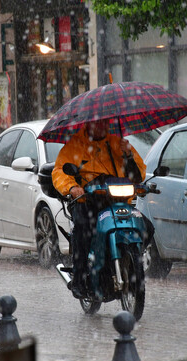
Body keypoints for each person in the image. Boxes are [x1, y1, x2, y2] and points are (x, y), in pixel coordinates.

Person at [52, 119, 148, 298]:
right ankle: (80, 278)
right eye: (97, 122)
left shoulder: (118, 143)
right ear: (87, 124)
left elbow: (138, 174)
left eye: (104, 122)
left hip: (115, 199)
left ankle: (130, 260)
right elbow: (59, 172)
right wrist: (72, 188)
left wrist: (128, 155)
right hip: (86, 201)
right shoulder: (74, 146)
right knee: (83, 229)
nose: (102, 126)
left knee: (146, 226)